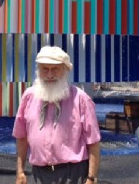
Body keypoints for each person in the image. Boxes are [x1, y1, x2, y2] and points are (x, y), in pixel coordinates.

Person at [13, 46, 101, 184]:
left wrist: (91, 177)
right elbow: (21, 137)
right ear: (38, 71)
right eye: (44, 69)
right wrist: (20, 171)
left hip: (73, 174)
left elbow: (93, 142)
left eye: (55, 69)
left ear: (65, 71)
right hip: (39, 174)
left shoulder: (81, 99)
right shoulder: (28, 97)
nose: (49, 75)